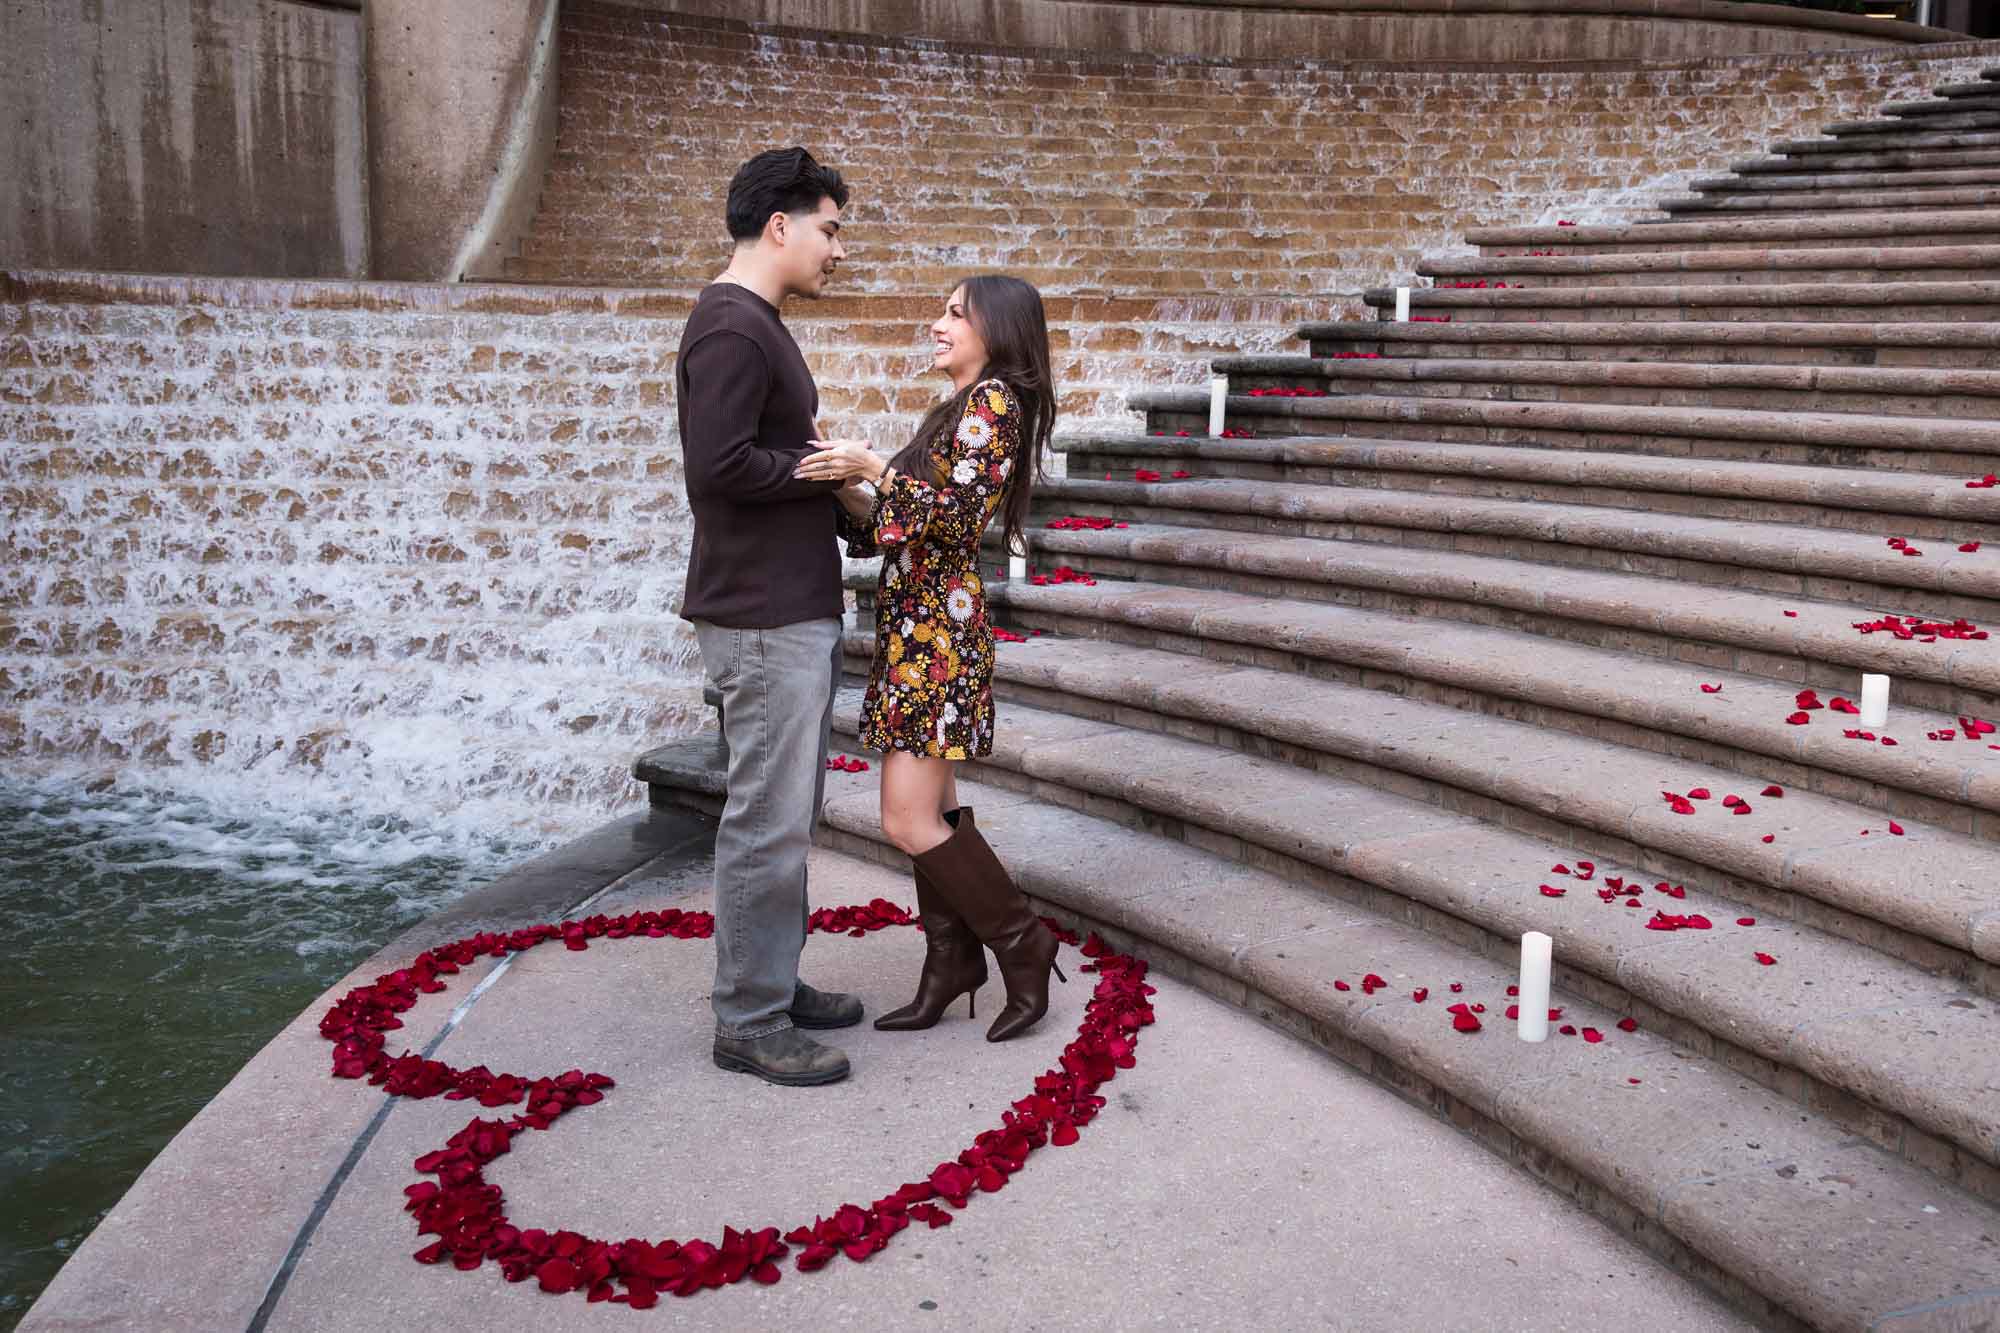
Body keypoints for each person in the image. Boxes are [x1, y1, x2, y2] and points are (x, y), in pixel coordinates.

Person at [794, 275, 1064, 1042]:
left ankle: (1022, 942)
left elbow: (950, 519)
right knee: (936, 812)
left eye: (955, 313)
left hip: (936, 641)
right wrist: (850, 485)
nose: (937, 324)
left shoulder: (994, 404)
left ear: (996, 328)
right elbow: (905, 523)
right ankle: (950, 962)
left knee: (906, 817)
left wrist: (874, 468)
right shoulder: (962, 407)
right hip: (921, 629)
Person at [677, 147, 862, 1087]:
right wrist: (822, 470)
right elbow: (716, 468)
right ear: (781, 226)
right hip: (759, 617)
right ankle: (748, 1018)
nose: (836, 251)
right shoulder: (733, 330)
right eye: (829, 230)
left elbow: (754, 459)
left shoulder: (756, 325)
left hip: (784, 606)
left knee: (791, 812)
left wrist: (827, 483)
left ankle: (773, 981)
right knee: (767, 817)